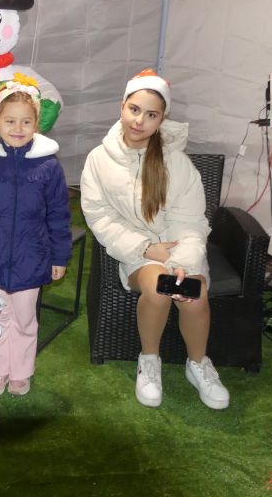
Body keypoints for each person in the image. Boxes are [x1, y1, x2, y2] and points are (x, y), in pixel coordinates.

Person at [80, 69, 230, 410]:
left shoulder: (177, 163)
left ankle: (198, 364)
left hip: (181, 249)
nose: (140, 121)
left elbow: (191, 220)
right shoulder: (98, 160)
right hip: (136, 251)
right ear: (122, 107)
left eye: (151, 115)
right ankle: (149, 361)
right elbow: (100, 217)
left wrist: (183, 262)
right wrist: (145, 248)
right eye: (134, 109)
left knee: (193, 295)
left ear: (162, 119)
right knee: (160, 288)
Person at [0, 74, 73, 397]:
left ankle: (21, 372)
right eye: (10, 121)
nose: (18, 128)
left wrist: (60, 256)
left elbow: (59, 215)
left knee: (23, 319)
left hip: (32, 258)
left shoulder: (49, 167)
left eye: (26, 121)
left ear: (37, 123)